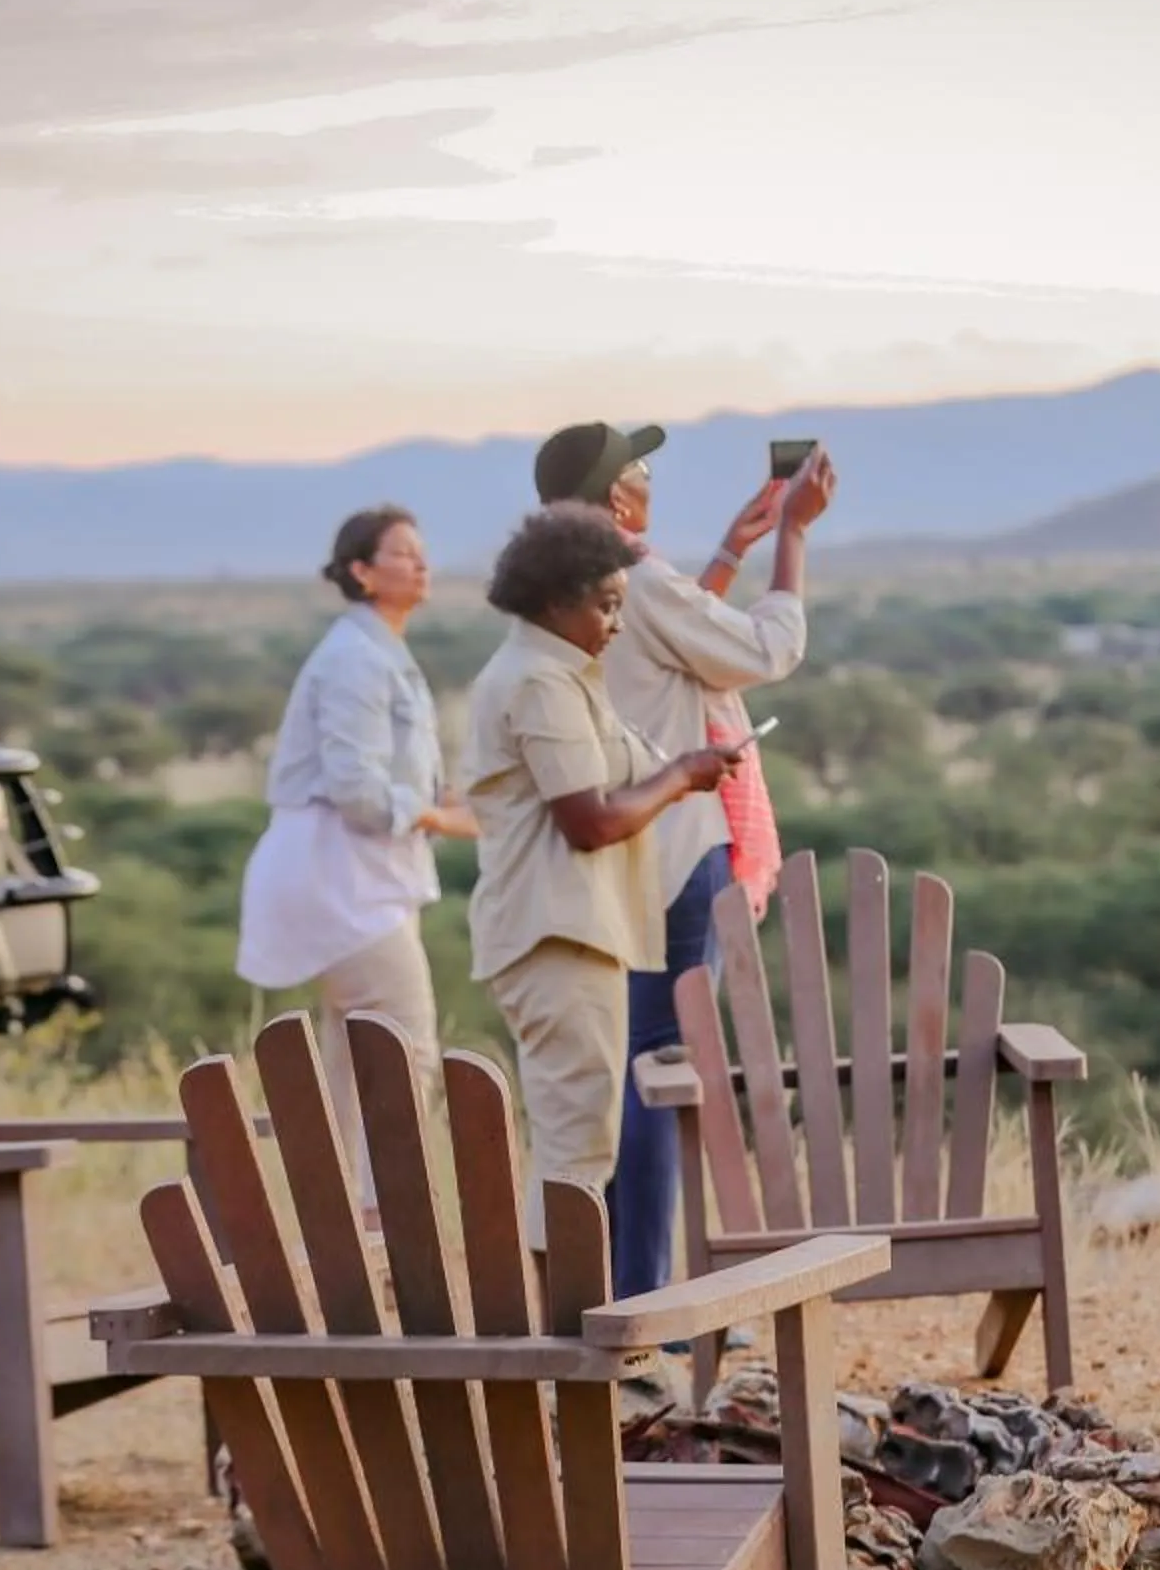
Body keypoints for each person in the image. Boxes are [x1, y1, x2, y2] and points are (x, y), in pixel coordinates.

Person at [528, 420, 840, 1298]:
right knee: (661, 1068)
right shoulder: (635, 575)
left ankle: (619, 1283)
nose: (649, 480)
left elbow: (666, 663)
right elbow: (762, 653)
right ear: (614, 498)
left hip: (606, 853)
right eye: (638, 470)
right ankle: (650, 1295)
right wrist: (794, 537)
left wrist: (728, 557)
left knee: (623, 1064)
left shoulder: (559, 588)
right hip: (675, 853)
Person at [460, 502, 744, 1245]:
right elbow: (589, 821)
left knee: (586, 1138)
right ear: (558, 601)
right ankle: (561, 1340)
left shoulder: (566, 673)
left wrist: (694, 762)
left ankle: (571, 1333)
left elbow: (634, 764)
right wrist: (683, 777)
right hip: (554, 931)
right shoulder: (539, 684)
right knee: (574, 1149)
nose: (618, 624)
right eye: (608, 605)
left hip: (577, 933)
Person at [235, 505, 474, 1222]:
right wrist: (439, 817)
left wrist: (447, 797)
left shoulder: (379, 652)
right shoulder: (355, 659)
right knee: (406, 1047)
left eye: (422, 552)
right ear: (362, 572)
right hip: (340, 880)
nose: (420, 563)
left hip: (351, 878)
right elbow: (358, 791)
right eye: (402, 553)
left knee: (352, 1058)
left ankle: (343, 1225)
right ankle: (387, 1219)